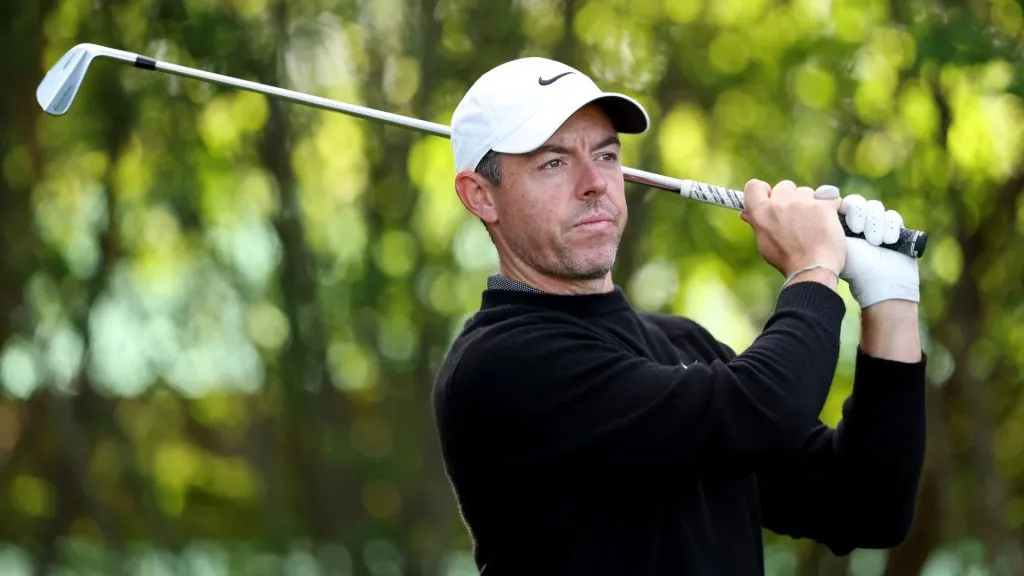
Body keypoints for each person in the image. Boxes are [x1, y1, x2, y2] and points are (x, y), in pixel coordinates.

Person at [432, 56, 926, 575]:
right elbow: (759, 409)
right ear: (480, 195)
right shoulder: (499, 364)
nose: (594, 183)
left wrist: (890, 299)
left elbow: (865, 507)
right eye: (553, 162)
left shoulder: (682, 345)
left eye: (605, 155)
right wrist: (814, 266)